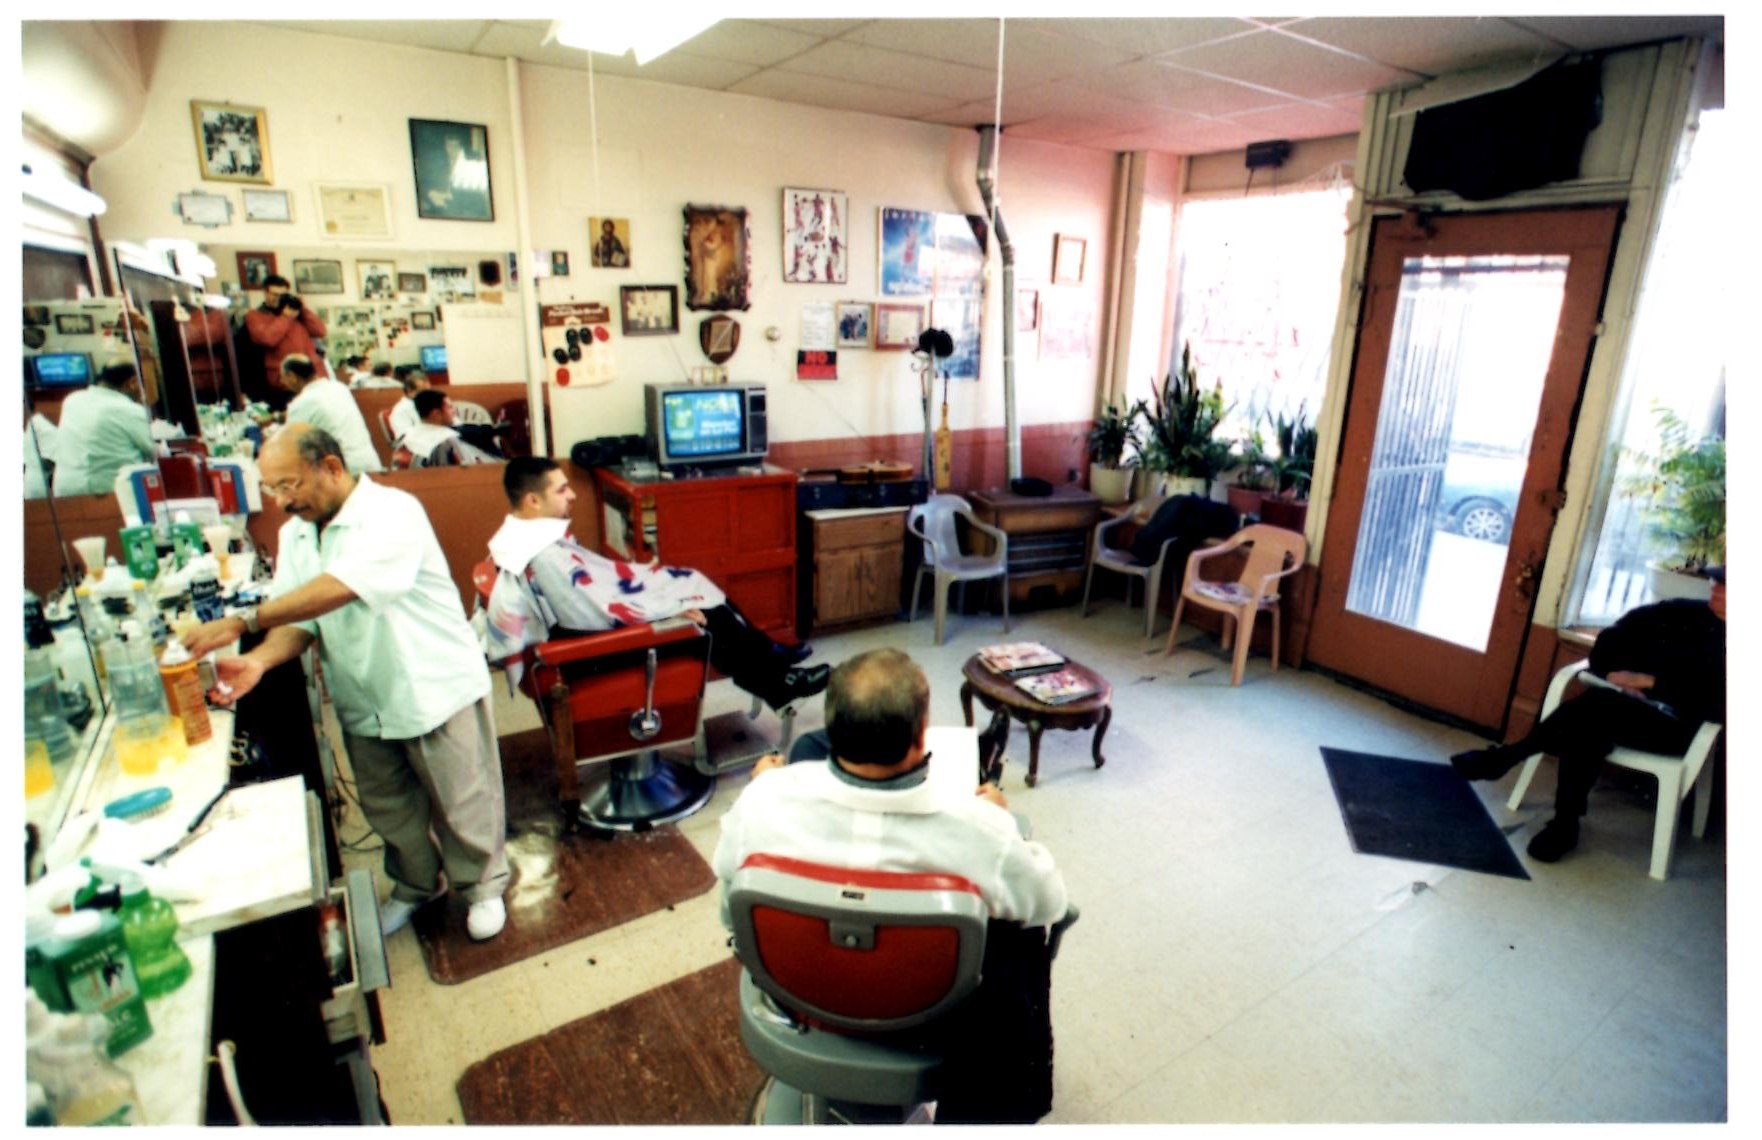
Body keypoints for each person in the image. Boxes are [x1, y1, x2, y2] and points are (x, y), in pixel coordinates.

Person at [712, 648, 1070, 1123]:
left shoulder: (764, 801)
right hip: (929, 1013)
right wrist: (1004, 827)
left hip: (800, 993)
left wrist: (766, 787)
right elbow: (1050, 903)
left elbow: (727, 898)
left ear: (831, 728)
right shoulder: (981, 831)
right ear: (922, 737)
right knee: (1017, 937)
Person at [183, 424, 510, 940]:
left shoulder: (392, 512)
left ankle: (482, 887)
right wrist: (261, 660)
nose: (282, 501)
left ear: (331, 467)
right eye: (272, 489)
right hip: (364, 691)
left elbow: (341, 588)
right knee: (389, 806)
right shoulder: (296, 534)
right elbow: (302, 620)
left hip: (431, 683)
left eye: (289, 484)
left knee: (461, 798)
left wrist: (245, 622)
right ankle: (417, 885)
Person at [482, 456, 826, 711]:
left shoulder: (519, 536)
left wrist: (657, 593)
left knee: (690, 581)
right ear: (533, 500)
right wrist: (665, 615)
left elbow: (591, 593)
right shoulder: (542, 554)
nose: (572, 494)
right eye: (561, 489)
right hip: (590, 651)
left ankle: (769, 655)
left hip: (582, 630)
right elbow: (590, 615)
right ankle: (779, 684)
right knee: (706, 617)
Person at [1451, 566, 1727, 862]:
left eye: (1726, 585)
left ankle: (1510, 759)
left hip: (1681, 728)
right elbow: (1614, 636)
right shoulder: (1684, 612)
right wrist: (1612, 674)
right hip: (1624, 710)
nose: (1715, 587)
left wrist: (1651, 682)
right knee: (1588, 724)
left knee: (1592, 712)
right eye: (1716, 580)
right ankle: (1563, 823)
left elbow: (1718, 703)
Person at [48, 361, 157, 496]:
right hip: (109, 491)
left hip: (65, 491)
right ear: (133, 383)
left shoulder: (72, 399)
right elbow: (152, 450)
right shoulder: (129, 409)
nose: (143, 392)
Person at [280, 354, 383, 475]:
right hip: (370, 462)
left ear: (292, 376)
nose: (282, 382)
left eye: (283, 377)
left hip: (344, 472)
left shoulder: (300, 404)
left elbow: (291, 446)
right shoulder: (340, 388)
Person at [243, 275, 329, 411]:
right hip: (285, 384)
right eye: (274, 294)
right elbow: (267, 338)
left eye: (282, 295)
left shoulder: (296, 314)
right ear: (265, 293)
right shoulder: (255, 315)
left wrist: (303, 309)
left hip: (312, 378)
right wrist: (285, 317)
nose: (278, 298)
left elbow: (320, 331)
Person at [401, 390, 498, 467]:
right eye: (450, 408)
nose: (454, 411)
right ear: (436, 413)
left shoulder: (410, 435)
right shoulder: (448, 439)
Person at [388, 367, 430, 442]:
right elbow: (405, 437)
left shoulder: (427, 403)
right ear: (410, 391)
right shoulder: (400, 411)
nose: (428, 395)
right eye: (424, 391)